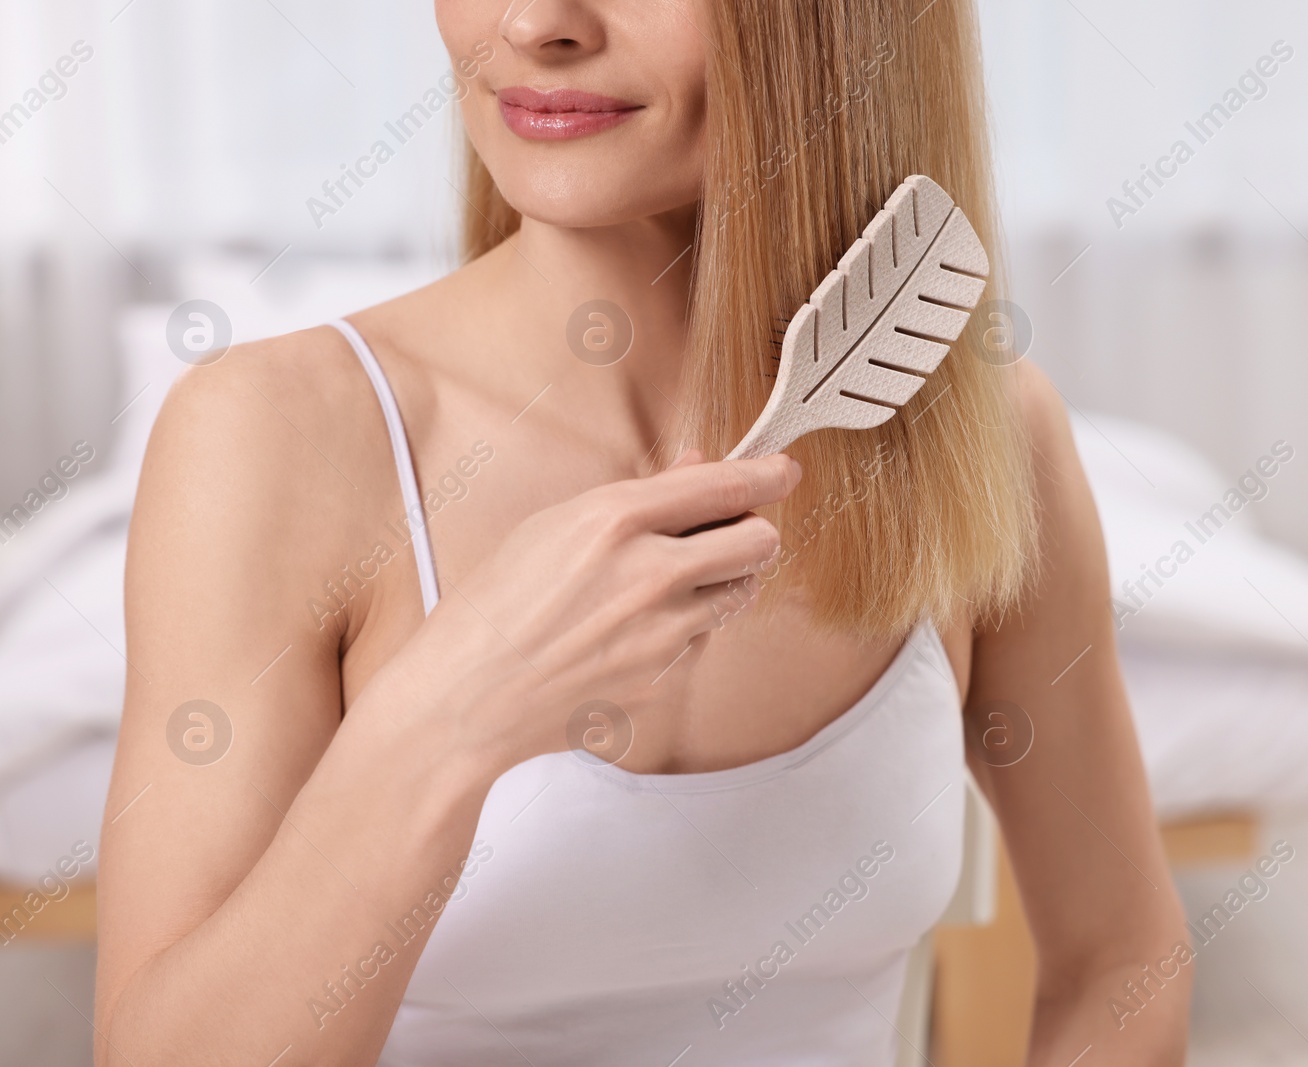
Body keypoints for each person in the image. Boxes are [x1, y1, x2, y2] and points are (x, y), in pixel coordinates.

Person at [94, 1, 1190, 1063]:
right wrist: (446, 720)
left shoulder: (982, 435)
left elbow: (1120, 960)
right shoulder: (273, 435)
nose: (533, 24)